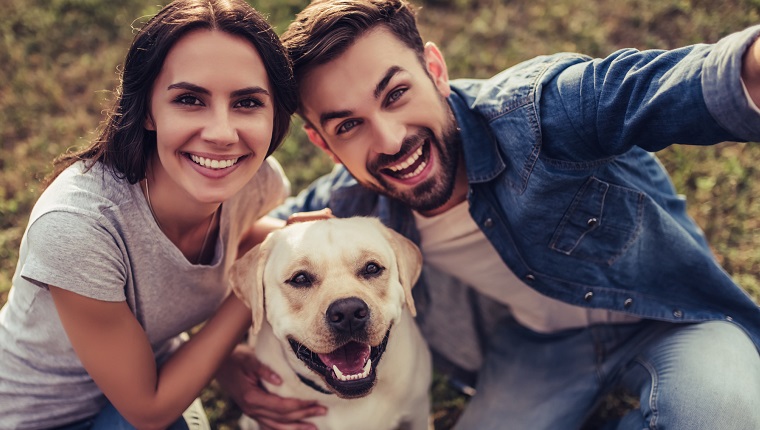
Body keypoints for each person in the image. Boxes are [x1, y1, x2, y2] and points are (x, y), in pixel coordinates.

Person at [221, 0, 760, 429]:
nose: (389, 139)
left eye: (397, 93)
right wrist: (228, 365)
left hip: (674, 317)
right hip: (539, 348)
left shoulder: (541, 114)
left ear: (435, 70)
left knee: (722, 420)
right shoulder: (353, 206)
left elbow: (666, 86)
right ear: (321, 141)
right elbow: (231, 242)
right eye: (348, 125)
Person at [0, 0, 298, 428]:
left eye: (247, 102)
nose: (221, 134)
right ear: (146, 110)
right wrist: (256, 285)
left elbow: (240, 239)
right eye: (190, 99)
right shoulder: (77, 227)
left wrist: (296, 243)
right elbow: (149, 408)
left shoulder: (253, 182)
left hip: (148, 372)